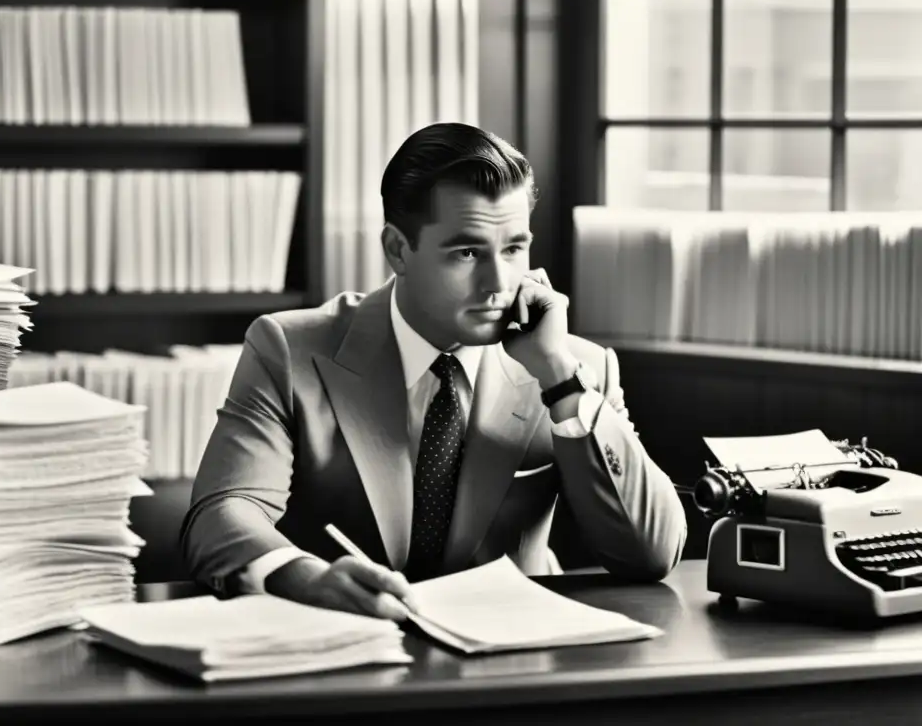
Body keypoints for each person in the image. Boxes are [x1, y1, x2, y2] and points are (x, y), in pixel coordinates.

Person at [180, 122, 687, 622]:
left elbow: (652, 553)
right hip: (349, 651)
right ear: (399, 249)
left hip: (514, 659)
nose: (498, 284)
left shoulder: (575, 366)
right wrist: (305, 578)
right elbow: (223, 512)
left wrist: (559, 378)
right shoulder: (290, 348)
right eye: (467, 252)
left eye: (513, 249)